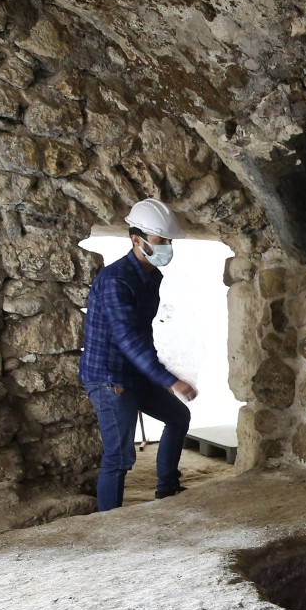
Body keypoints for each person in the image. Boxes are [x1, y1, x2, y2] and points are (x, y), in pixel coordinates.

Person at [80, 199, 197, 511]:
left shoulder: (152, 276)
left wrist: (155, 374)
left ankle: (168, 491)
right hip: (108, 378)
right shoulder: (116, 280)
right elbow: (127, 338)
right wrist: (168, 379)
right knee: (119, 457)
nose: (168, 247)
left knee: (178, 416)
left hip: (134, 372)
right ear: (137, 240)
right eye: (161, 241)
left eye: (169, 241)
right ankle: (110, 525)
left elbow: (142, 332)